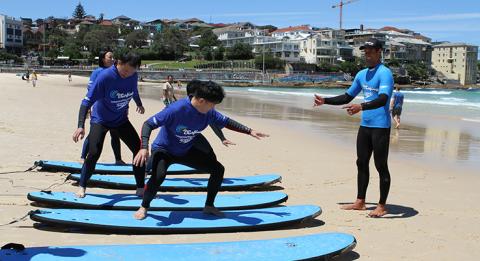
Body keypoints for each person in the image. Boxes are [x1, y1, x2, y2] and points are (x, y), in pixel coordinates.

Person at [133, 80, 269, 219]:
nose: (214, 108)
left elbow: (226, 121)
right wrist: (144, 148)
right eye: (213, 104)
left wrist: (249, 131)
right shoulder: (175, 110)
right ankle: (144, 206)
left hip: (186, 149)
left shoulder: (208, 112)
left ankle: (209, 206)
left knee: (218, 169)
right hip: (164, 150)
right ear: (202, 101)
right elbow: (148, 124)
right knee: (158, 176)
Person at [313, 38, 394, 217]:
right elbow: (347, 97)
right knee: (361, 162)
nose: (367, 54)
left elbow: (383, 99)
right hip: (365, 126)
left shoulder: (385, 73)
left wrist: (361, 107)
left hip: (381, 126)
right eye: (365, 51)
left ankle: (382, 205)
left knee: (381, 165)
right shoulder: (361, 74)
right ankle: (360, 201)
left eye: (371, 51)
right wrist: (325, 101)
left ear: (380, 51)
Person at [72, 52, 146, 198]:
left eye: (131, 72)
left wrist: (138, 103)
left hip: (120, 120)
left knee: (139, 150)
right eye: (125, 71)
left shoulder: (132, 75)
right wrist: (80, 125)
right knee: (94, 152)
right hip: (101, 120)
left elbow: (134, 90)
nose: (127, 75)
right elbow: (86, 101)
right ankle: (82, 185)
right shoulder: (105, 77)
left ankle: (140, 187)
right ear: (118, 63)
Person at [80, 50, 126, 165]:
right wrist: (89, 107)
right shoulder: (97, 72)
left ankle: (118, 159)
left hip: (115, 109)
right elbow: (90, 91)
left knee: (115, 134)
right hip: (99, 108)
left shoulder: (116, 71)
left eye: (112, 57)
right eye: (109, 57)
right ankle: (82, 157)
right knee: (93, 134)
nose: (112, 59)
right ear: (103, 59)